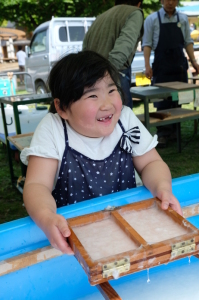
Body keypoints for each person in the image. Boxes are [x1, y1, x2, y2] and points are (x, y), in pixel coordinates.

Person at [21, 51, 182, 254]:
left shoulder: (125, 120)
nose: (107, 104)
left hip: (129, 227)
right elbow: (37, 185)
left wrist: (162, 187)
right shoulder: (53, 129)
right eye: (92, 95)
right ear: (61, 108)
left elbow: (151, 163)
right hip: (73, 237)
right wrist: (46, 217)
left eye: (112, 90)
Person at [142, 0, 199, 147]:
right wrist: (147, 65)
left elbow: (188, 42)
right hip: (162, 65)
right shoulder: (152, 19)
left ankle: (175, 132)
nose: (170, 2)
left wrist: (194, 62)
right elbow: (147, 43)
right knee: (162, 101)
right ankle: (163, 134)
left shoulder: (183, 19)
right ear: (161, 1)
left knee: (177, 100)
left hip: (179, 65)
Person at [83, 0, 144, 110]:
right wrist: (107, 73)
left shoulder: (101, 17)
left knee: (99, 121)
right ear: (139, 3)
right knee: (121, 123)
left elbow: (84, 49)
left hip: (91, 76)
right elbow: (124, 46)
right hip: (113, 75)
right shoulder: (135, 12)